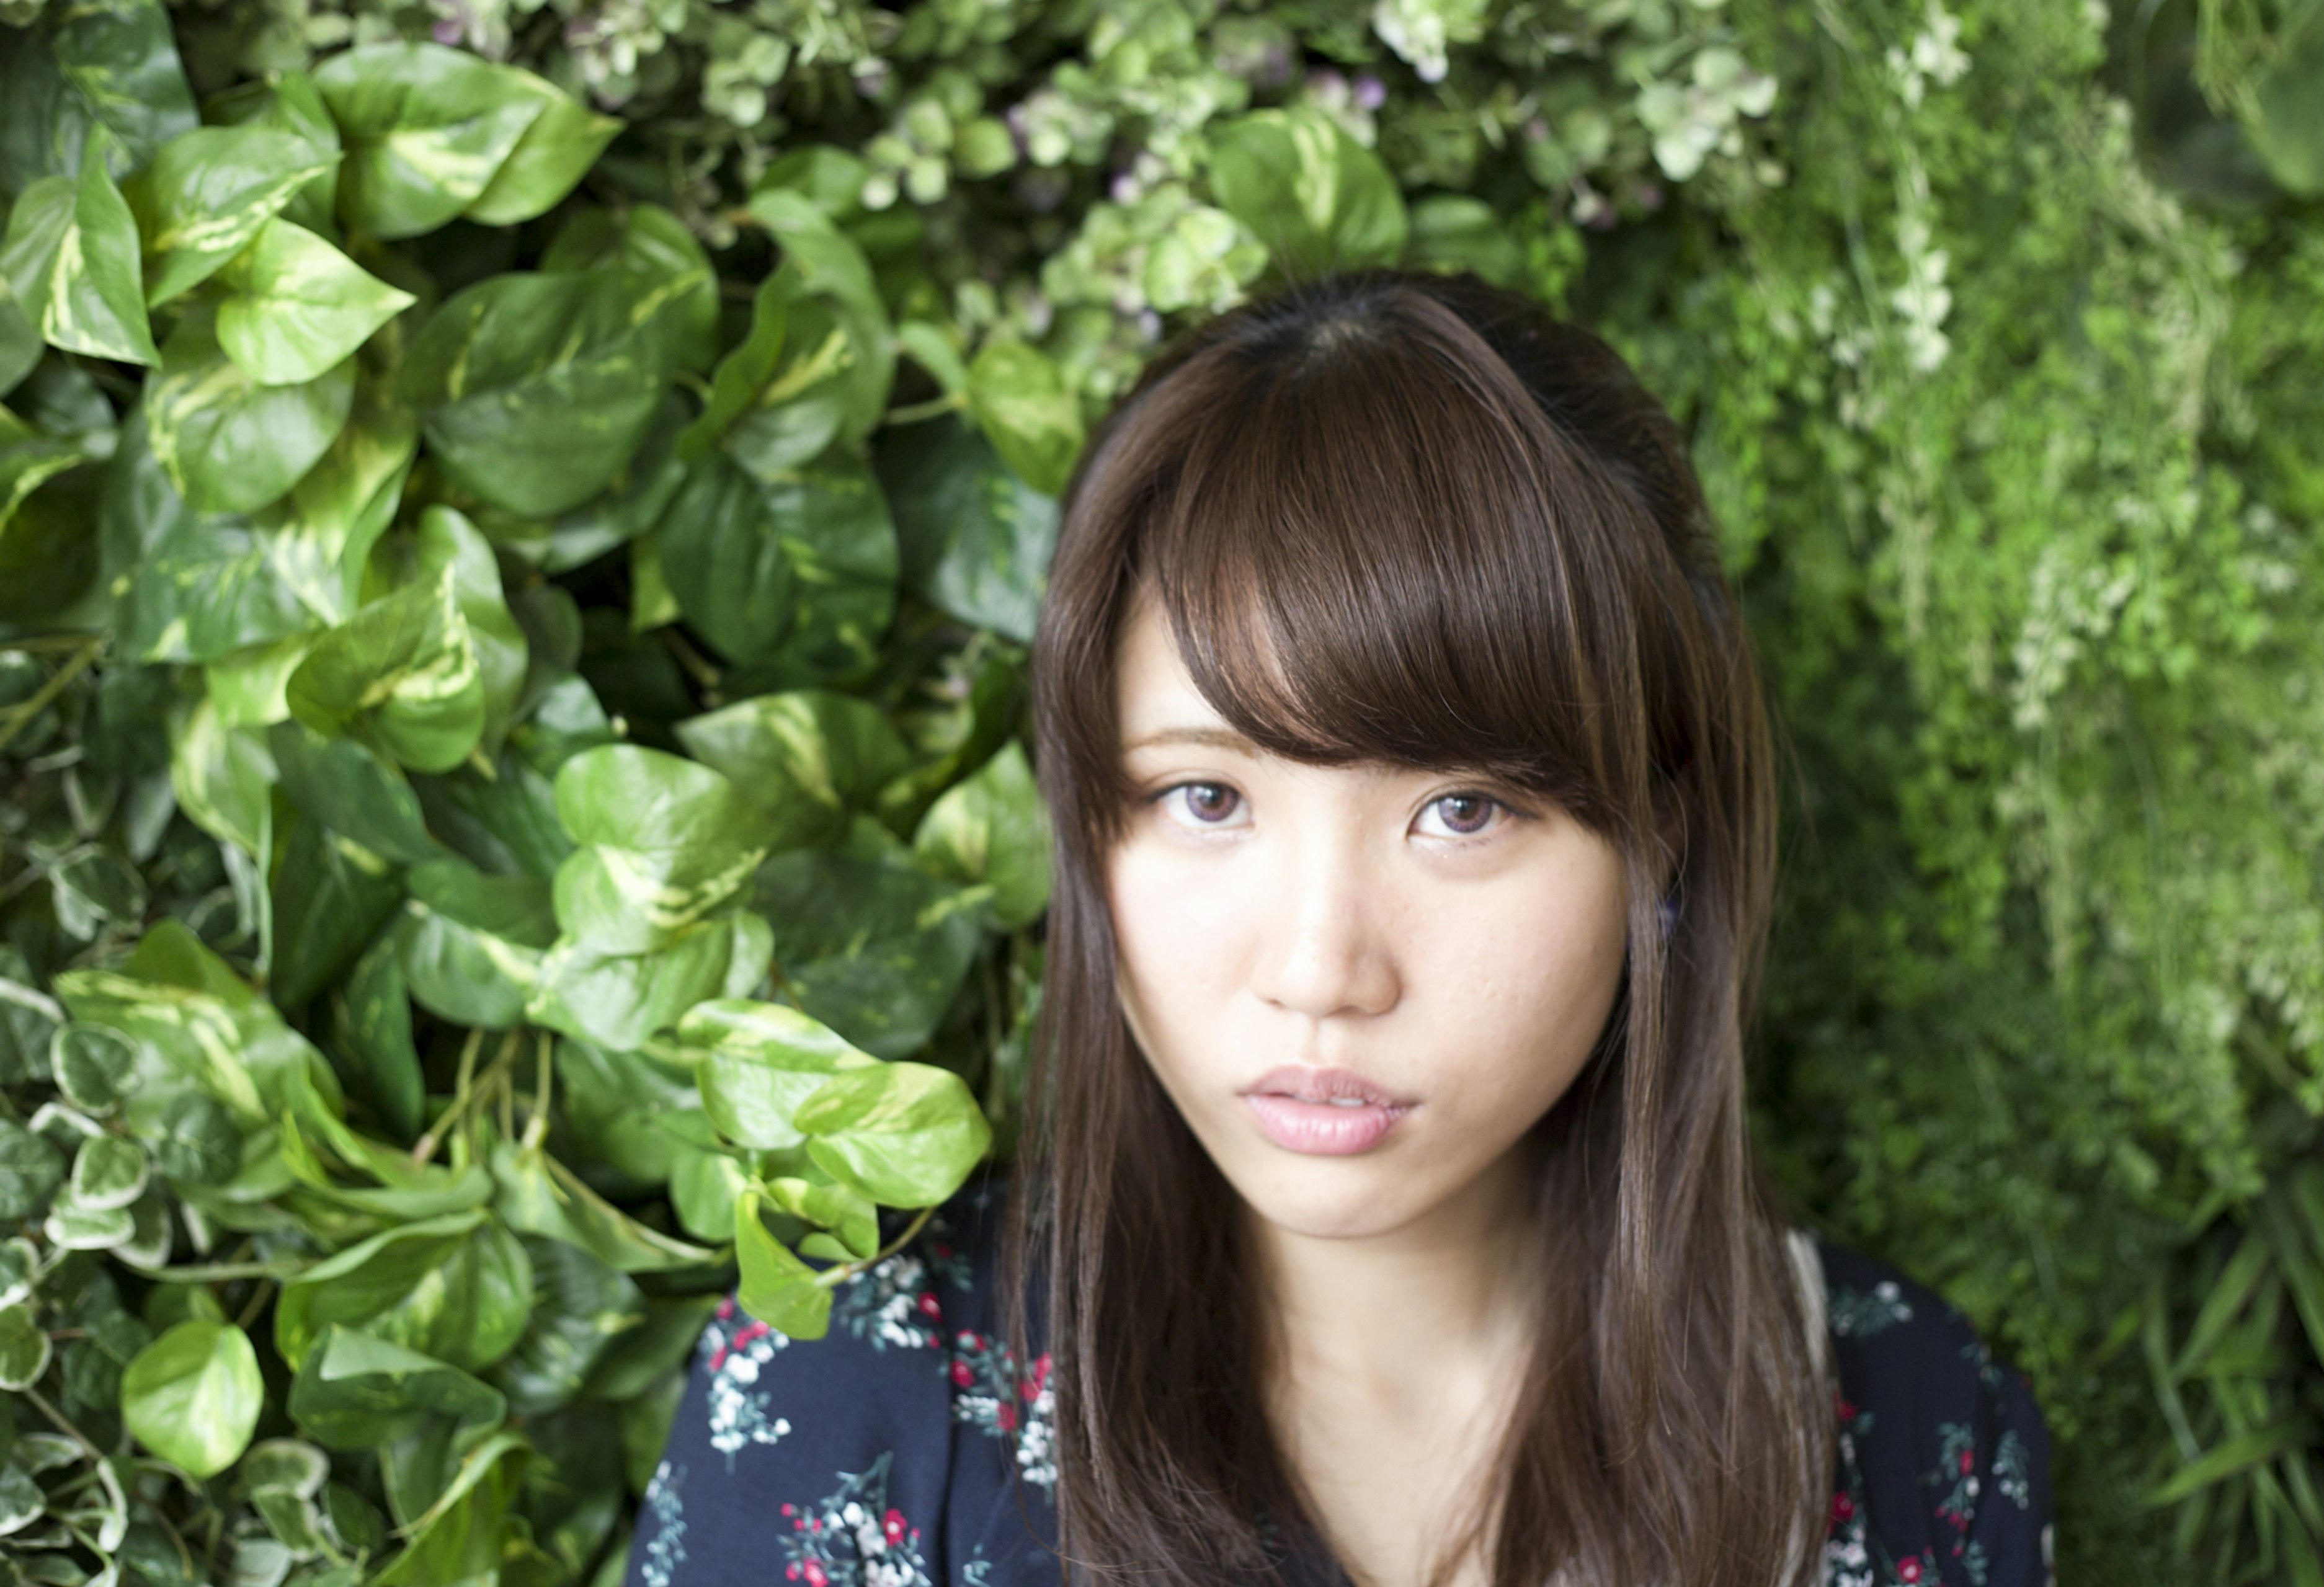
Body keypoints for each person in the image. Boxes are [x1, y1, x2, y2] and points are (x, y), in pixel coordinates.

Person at [625, 267, 2057, 1587]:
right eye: (1203, 795)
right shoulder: (870, 1384)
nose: (1319, 969)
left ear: (1658, 837)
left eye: (1463, 811)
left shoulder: (1906, 1429)